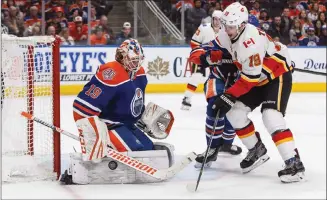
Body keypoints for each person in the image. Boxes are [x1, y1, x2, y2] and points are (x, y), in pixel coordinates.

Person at [199, 2, 305, 183]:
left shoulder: (251, 43)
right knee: (234, 112)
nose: (226, 29)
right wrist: (206, 54)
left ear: (241, 25)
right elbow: (215, 46)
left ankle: (294, 163)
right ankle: (257, 149)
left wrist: (227, 95)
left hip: (275, 76)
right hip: (256, 77)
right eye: (225, 25)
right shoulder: (229, 31)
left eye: (230, 26)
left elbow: (248, 80)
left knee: (271, 116)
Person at [60, 39, 176, 184]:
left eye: (138, 60)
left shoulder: (139, 73)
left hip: (128, 124)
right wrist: (91, 132)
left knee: (149, 150)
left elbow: (131, 101)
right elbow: (81, 106)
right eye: (132, 59)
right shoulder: (111, 73)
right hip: (110, 126)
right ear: (121, 57)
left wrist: (141, 116)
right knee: (137, 153)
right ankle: (98, 159)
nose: (136, 64)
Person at [184, 11, 242, 168]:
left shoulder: (247, 39)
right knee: (216, 106)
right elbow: (195, 52)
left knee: (235, 112)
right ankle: (212, 147)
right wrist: (206, 57)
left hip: (240, 81)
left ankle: (226, 144)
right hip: (217, 76)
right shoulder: (220, 37)